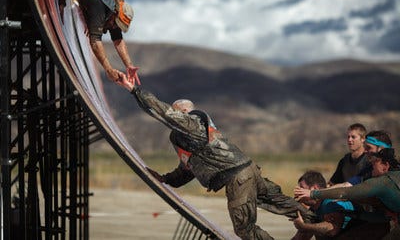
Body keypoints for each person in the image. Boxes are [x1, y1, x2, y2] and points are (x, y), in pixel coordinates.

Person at [116, 72, 316, 240]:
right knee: (278, 202)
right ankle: (320, 221)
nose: (178, 119)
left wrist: (135, 91)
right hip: (248, 171)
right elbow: (188, 169)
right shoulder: (187, 138)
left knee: (244, 228)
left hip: (238, 178)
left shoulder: (193, 123)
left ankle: (324, 223)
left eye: (180, 114)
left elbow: (165, 113)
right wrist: (166, 179)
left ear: (185, 111)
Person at [295, 148, 400, 240]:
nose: (371, 167)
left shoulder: (383, 181)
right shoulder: (393, 179)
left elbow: (345, 192)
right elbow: (381, 215)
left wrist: (313, 194)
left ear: (385, 166)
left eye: (374, 163)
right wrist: (352, 213)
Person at [58, 0, 140, 84]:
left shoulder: (115, 5)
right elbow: (95, 42)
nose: (113, 27)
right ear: (115, 14)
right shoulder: (99, 6)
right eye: (115, 24)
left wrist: (129, 65)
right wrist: (108, 69)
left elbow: (118, 40)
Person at [291, 170, 354, 240]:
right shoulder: (313, 209)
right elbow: (302, 236)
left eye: (301, 188)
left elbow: (333, 229)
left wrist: (304, 226)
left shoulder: (330, 202)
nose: (297, 192)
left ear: (315, 188)